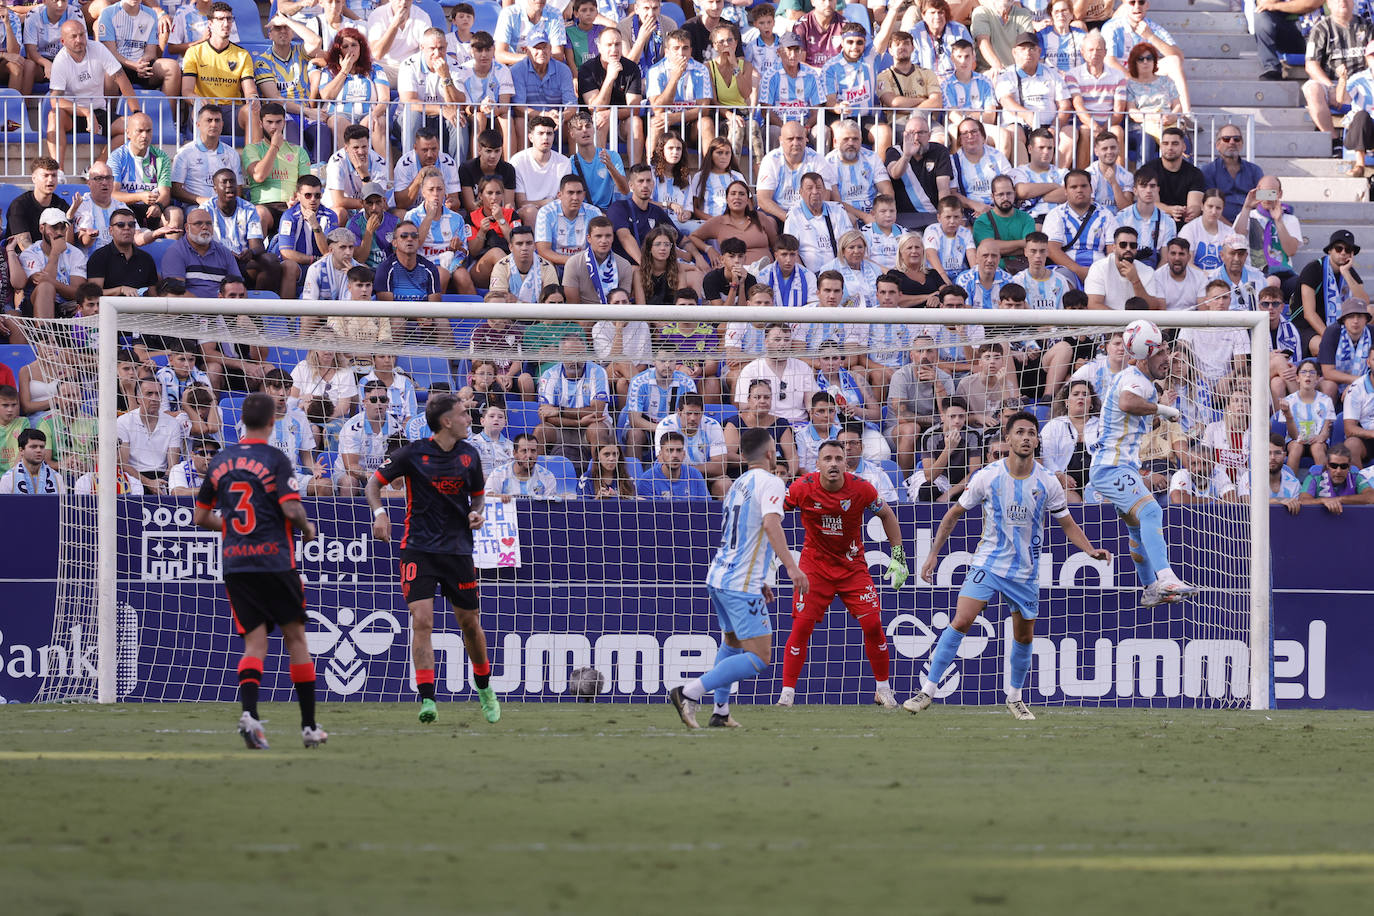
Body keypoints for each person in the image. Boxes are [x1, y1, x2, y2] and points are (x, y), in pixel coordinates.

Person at [904, 409, 1109, 718]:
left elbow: (1067, 524)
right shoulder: (988, 476)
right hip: (987, 563)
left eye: (1031, 433)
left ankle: (1014, 696)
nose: (1026, 438)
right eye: (1020, 432)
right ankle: (927, 691)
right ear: (1009, 438)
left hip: (1025, 571)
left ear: (1037, 440)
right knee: (961, 620)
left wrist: (1090, 549)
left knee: (1024, 637)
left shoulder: (1048, 483)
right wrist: (933, 553)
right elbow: (952, 515)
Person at [192, 393, 323, 750]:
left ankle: (250, 714)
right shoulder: (275, 458)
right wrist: (308, 529)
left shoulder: (220, 460)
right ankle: (309, 726)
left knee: (254, 643)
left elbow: (200, 516)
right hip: (275, 561)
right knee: (295, 639)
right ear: (271, 423)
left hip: (237, 563)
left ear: (242, 423)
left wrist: (233, 527)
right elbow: (292, 509)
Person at [367, 391, 500, 725]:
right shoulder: (412, 454)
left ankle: (484, 687)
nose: (469, 419)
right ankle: (427, 698)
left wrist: (475, 514)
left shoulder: (469, 455)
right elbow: (373, 484)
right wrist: (380, 513)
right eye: (463, 414)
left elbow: (479, 498)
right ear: (446, 422)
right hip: (419, 549)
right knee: (422, 620)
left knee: (469, 623)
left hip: (457, 550)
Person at [668, 427, 807, 728]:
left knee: (731, 643)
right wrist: (792, 568)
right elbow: (771, 525)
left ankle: (720, 711)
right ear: (771, 453)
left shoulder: (737, 484)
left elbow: (745, 532)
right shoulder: (772, 482)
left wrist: (760, 578)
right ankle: (688, 692)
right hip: (739, 583)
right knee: (759, 658)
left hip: (720, 576)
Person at [776, 438, 908, 708]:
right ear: (817, 464)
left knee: (873, 625)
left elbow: (888, 515)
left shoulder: (861, 488)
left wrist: (898, 556)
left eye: (838, 459)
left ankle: (883, 690)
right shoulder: (802, 487)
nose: (833, 464)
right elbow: (775, 515)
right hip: (815, 567)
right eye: (828, 459)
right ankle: (786, 694)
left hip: (852, 567)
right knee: (801, 627)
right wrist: (770, 552)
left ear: (846, 463)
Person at [1088, 333, 1197, 605]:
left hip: (1119, 466)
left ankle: (1150, 587)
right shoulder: (1136, 380)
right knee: (1151, 510)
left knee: (1137, 528)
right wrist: (1162, 409)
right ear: (1143, 353)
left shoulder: (1138, 379)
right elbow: (1127, 402)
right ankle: (1166, 578)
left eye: (1167, 351)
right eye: (1160, 352)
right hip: (1112, 467)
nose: (1167, 358)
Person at [181, 3, 260, 144]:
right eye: (221, 19)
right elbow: (186, 91)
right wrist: (197, 100)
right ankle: (201, 160)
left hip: (231, 110)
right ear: (210, 23)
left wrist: (253, 98)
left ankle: (252, 162)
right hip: (205, 108)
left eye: (229, 19)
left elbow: (250, 90)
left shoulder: (242, 54)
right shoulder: (194, 52)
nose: (226, 23)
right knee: (200, 111)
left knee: (251, 110)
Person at [1301, 0, 1374, 150]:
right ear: (1328, 4)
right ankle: (1334, 141)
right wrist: (1330, 86)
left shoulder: (1367, 27)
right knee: (1311, 88)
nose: (1342, 2)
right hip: (1332, 83)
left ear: (1353, 2)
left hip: (1363, 84)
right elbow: (1311, 65)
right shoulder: (1320, 29)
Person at [996, 33, 1074, 167]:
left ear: (1039, 51)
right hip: (1020, 124)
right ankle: (1025, 177)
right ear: (1014, 53)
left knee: (1070, 132)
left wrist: (1056, 126)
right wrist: (1027, 115)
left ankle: (1059, 176)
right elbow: (1006, 100)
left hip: (1048, 125)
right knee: (1014, 132)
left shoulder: (1052, 73)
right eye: (1023, 49)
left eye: (1032, 48)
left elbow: (1065, 105)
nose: (1028, 52)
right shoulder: (1006, 74)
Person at [535, 335, 613, 464]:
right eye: (570, 355)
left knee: (597, 429)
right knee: (541, 430)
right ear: (561, 356)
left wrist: (559, 410)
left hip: (591, 427)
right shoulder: (549, 375)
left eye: (580, 355)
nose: (575, 360)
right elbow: (545, 416)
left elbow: (596, 412)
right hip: (561, 429)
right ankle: (538, 477)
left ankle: (598, 477)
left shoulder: (597, 371)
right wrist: (578, 423)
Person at [1295, 229, 1367, 358]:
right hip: (1307, 326)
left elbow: (1364, 304)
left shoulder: (1349, 271)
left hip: (1338, 326)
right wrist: (1331, 337)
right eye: (1339, 249)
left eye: (1348, 250)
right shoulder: (1313, 269)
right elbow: (1309, 314)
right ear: (1330, 250)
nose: (1343, 253)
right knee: (1322, 346)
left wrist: (1346, 273)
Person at [579, 25, 645, 151]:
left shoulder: (631, 68)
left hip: (621, 122)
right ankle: (599, 169)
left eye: (617, 44)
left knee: (635, 122)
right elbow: (595, 108)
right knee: (599, 121)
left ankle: (635, 170)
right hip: (592, 122)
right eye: (609, 45)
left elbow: (634, 109)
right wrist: (610, 77)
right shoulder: (587, 69)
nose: (614, 49)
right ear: (599, 47)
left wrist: (610, 114)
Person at [15, 208, 87, 318]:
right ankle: (45, 333)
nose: (59, 232)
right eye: (54, 227)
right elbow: (43, 285)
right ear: (41, 228)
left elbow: (77, 293)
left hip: (68, 307)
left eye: (63, 227)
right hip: (34, 308)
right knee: (46, 287)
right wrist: (55, 253)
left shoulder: (76, 253)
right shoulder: (29, 254)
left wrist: (51, 281)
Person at [1043, 169, 1112, 286]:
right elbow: (1052, 250)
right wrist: (1079, 271)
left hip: (1101, 269)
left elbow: (1112, 251)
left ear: (1091, 188)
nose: (1079, 190)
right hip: (1067, 269)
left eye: (1084, 186)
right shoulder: (1056, 214)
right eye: (1073, 187)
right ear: (1065, 191)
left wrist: (1099, 271)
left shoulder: (1106, 215)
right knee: (1063, 282)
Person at [759, 32, 826, 138]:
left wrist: (806, 127)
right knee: (774, 132)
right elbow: (766, 111)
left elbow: (817, 110)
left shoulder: (811, 74)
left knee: (822, 131)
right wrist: (787, 130)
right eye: (788, 50)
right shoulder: (770, 75)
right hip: (778, 125)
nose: (793, 55)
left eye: (797, 50)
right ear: (779, 52)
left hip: (805, 124)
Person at [1085, 225, 1163, 310]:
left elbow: (1153, 308)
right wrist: (1123, 321)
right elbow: (1093, 304)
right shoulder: (1098, 268)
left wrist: (1136, 281)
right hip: (1108, 322)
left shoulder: (1147, 271)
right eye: (1123, 244)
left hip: (1137, 322)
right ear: (1114, 247)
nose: (1128, 248)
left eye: (1133, 245)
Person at [1141, 126, 1204, 226]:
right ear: (1161, 146)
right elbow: (1150, 203)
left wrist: (1190, 212)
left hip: (1185, 225)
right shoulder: (1148, 170)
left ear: (1184, 147)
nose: (1170, 147)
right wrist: (1171, 210)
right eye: (1166, 144)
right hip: (1153, 223)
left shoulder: (1195, 173)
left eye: (1175, 144)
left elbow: (1195, 204)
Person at [1255, 0, 1326, 82]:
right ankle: (1271, 69)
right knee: (1261, 17)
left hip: (1313, 32)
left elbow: (1311, 4)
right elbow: (1263, 3)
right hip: (1284, 32)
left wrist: (1276, 6)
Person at [486, 432, 563, 498]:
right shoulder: (498, 473)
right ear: (514, 453)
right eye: (524, 451)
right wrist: (500, 497)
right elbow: (487, 497)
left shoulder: (547, 477)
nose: (529, 455)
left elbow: (549, 507)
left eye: (533, 451)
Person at [636, 429, 710, 498]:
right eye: (670, 450)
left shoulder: (695, 475)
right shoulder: (647, 481)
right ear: (661, 454)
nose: (675, 455)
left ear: (684, 454)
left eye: (678, 450)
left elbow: (707, 507)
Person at [1299, 444, 1373, 511]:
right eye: (1333, 466)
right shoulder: (1314, 478)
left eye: (1343, 466)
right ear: (1327, 465)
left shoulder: (1356, 477)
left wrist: (1338, 500)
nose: (1338, 471)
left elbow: (1371, 497)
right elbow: (1303, 501)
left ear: (1349, 466)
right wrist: (1322, 501)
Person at [0, 428, 65, 494]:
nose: (39, 450)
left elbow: (62, 504)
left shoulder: (57, 478)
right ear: (21, 450)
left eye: (42, 447)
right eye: (33, 447)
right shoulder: (8, 478)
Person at [1341, 347, 1374, 466]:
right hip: (1367, 436)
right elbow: (1349, 429)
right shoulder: (1356, 389)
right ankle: (1362, 485)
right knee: (1351, 445)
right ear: (1368, 362)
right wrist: (1372, 433)